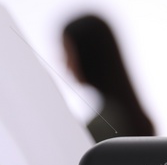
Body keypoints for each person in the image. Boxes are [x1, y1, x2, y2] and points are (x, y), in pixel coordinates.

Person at [62, 13, 155, 141]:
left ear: (87, 54)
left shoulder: (101, 128)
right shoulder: (126, 117)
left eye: (69, 53)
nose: (67, 65)